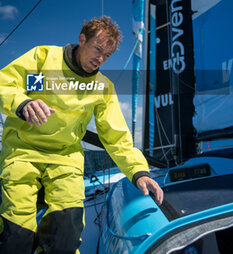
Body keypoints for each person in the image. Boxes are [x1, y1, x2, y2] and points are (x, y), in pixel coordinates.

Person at [0, 16, 163, 254]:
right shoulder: (44, 60)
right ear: (81, 39)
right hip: (23, 151)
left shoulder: (102, 87)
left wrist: (139, 172)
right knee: (16, 237)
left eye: (107, 55)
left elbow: (116, 137)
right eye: (97, 49)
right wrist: (22, 102)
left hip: (65, 159)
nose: (100, 59)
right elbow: (5, 84)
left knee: (66, 234)